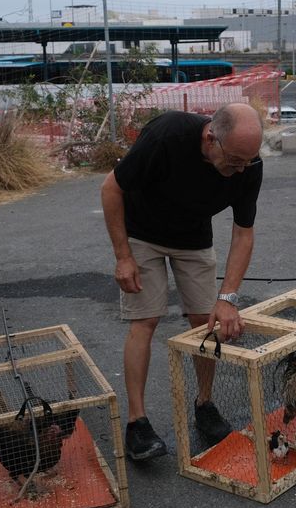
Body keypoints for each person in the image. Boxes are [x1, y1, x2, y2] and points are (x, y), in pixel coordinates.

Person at [101, 103, 263, 461]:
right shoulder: (167, 135)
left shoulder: (248, 165)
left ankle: (204, 404)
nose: (239, 169)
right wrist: (123, 257)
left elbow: (243, 233)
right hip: (143, 233)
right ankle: (137, 423)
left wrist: (228, 298)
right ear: (210, 137)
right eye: (234, 159)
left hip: (193, 237)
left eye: (246, 162)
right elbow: (111, 189)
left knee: (207, 323)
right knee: (144, 321)